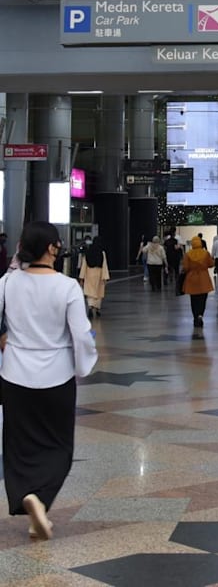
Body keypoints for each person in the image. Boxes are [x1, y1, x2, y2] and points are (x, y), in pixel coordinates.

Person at [1, 221, 98, 540]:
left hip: (15, 375)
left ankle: (27, 498)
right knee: (59, 446)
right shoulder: (67, 287)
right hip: (56, 376)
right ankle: (40, 500)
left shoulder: (7, 283)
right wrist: (84, 365)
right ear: (51, 248)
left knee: (18, 444)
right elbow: (81, 335)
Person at [182, 236, 214, 327]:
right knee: (202, 299)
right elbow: (211, 264)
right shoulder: (205, 253)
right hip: (204, 279)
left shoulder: (188, 254)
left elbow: (186, 267)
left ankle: (195, 316)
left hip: (192, 279)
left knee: (194, 299)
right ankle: (200, 314)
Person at [78, 236, 110, 318]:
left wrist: (81, 277)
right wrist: (105, 277)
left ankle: (90, 306)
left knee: (90, 292)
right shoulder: (102, 253)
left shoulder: (88, 252)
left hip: (89, 274)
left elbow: (84, 265)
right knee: (98, 292)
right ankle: (97, 308)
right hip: (99, 274)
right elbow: (104, 265)